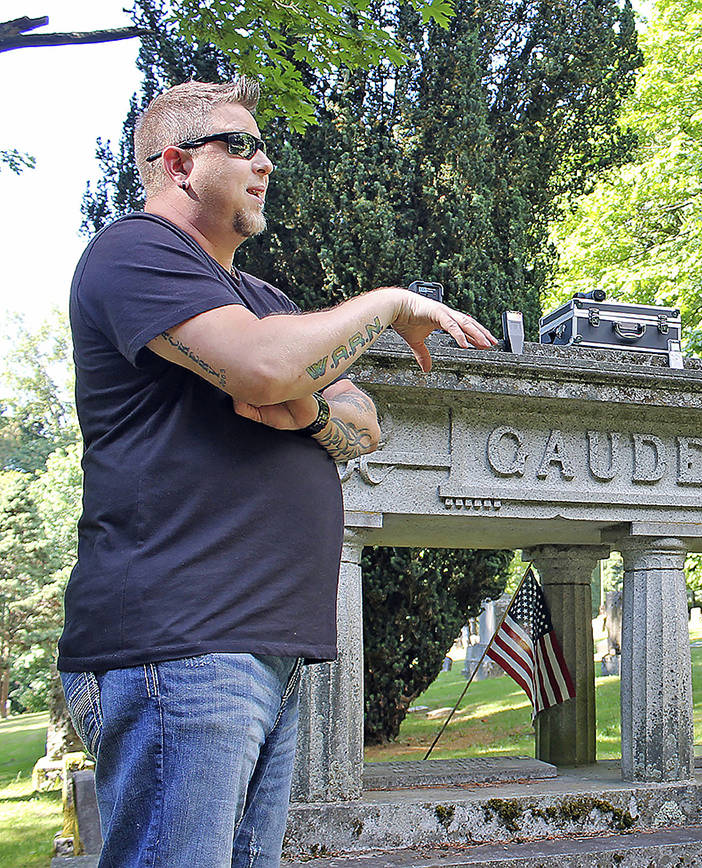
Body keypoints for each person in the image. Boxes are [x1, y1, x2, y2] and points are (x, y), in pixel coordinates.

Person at [57, 78, 496, 867]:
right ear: (177, 162)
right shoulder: (134, 250)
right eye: (241, 145)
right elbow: (265, 369)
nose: (265, 163)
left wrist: (310, 409)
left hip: (265, 652)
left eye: (265, 147)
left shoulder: (261, 295)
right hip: (179, 643)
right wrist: (390, 305)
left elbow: (364, 423)